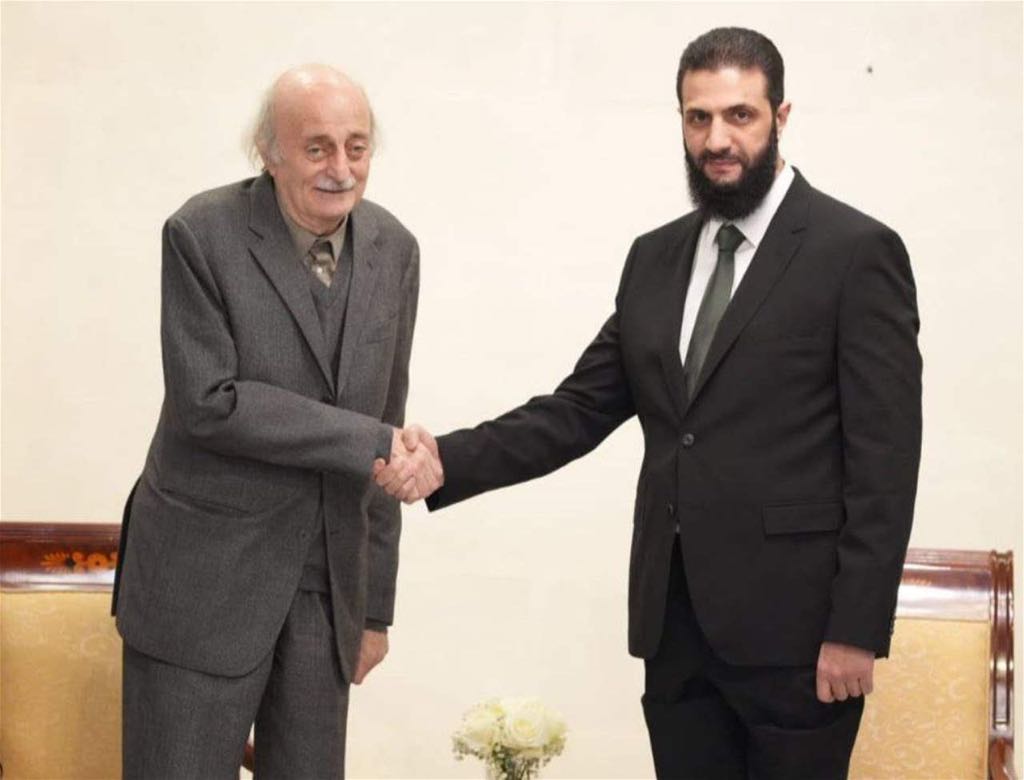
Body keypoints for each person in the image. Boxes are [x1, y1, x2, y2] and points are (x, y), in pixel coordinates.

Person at [376, 27, 922, 779]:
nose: (718, 139)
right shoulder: (654, 257)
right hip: (675, 630)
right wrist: (445, 460)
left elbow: (885, 460)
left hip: (799, 638)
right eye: (699, 118)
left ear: (781, 116)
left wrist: (856, 628)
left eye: (740, 115)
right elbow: (577, 409)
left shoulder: (856, 252)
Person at [112, 64, 440, 779]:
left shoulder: (395, 249)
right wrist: (370, 439)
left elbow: (388, 422)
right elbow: (211, 402)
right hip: (200, 588)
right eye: (317, 147)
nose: (341, 168)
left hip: (326, 595)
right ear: (269, 150)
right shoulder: (200, 233)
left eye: (357, 146)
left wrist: (373, 609)